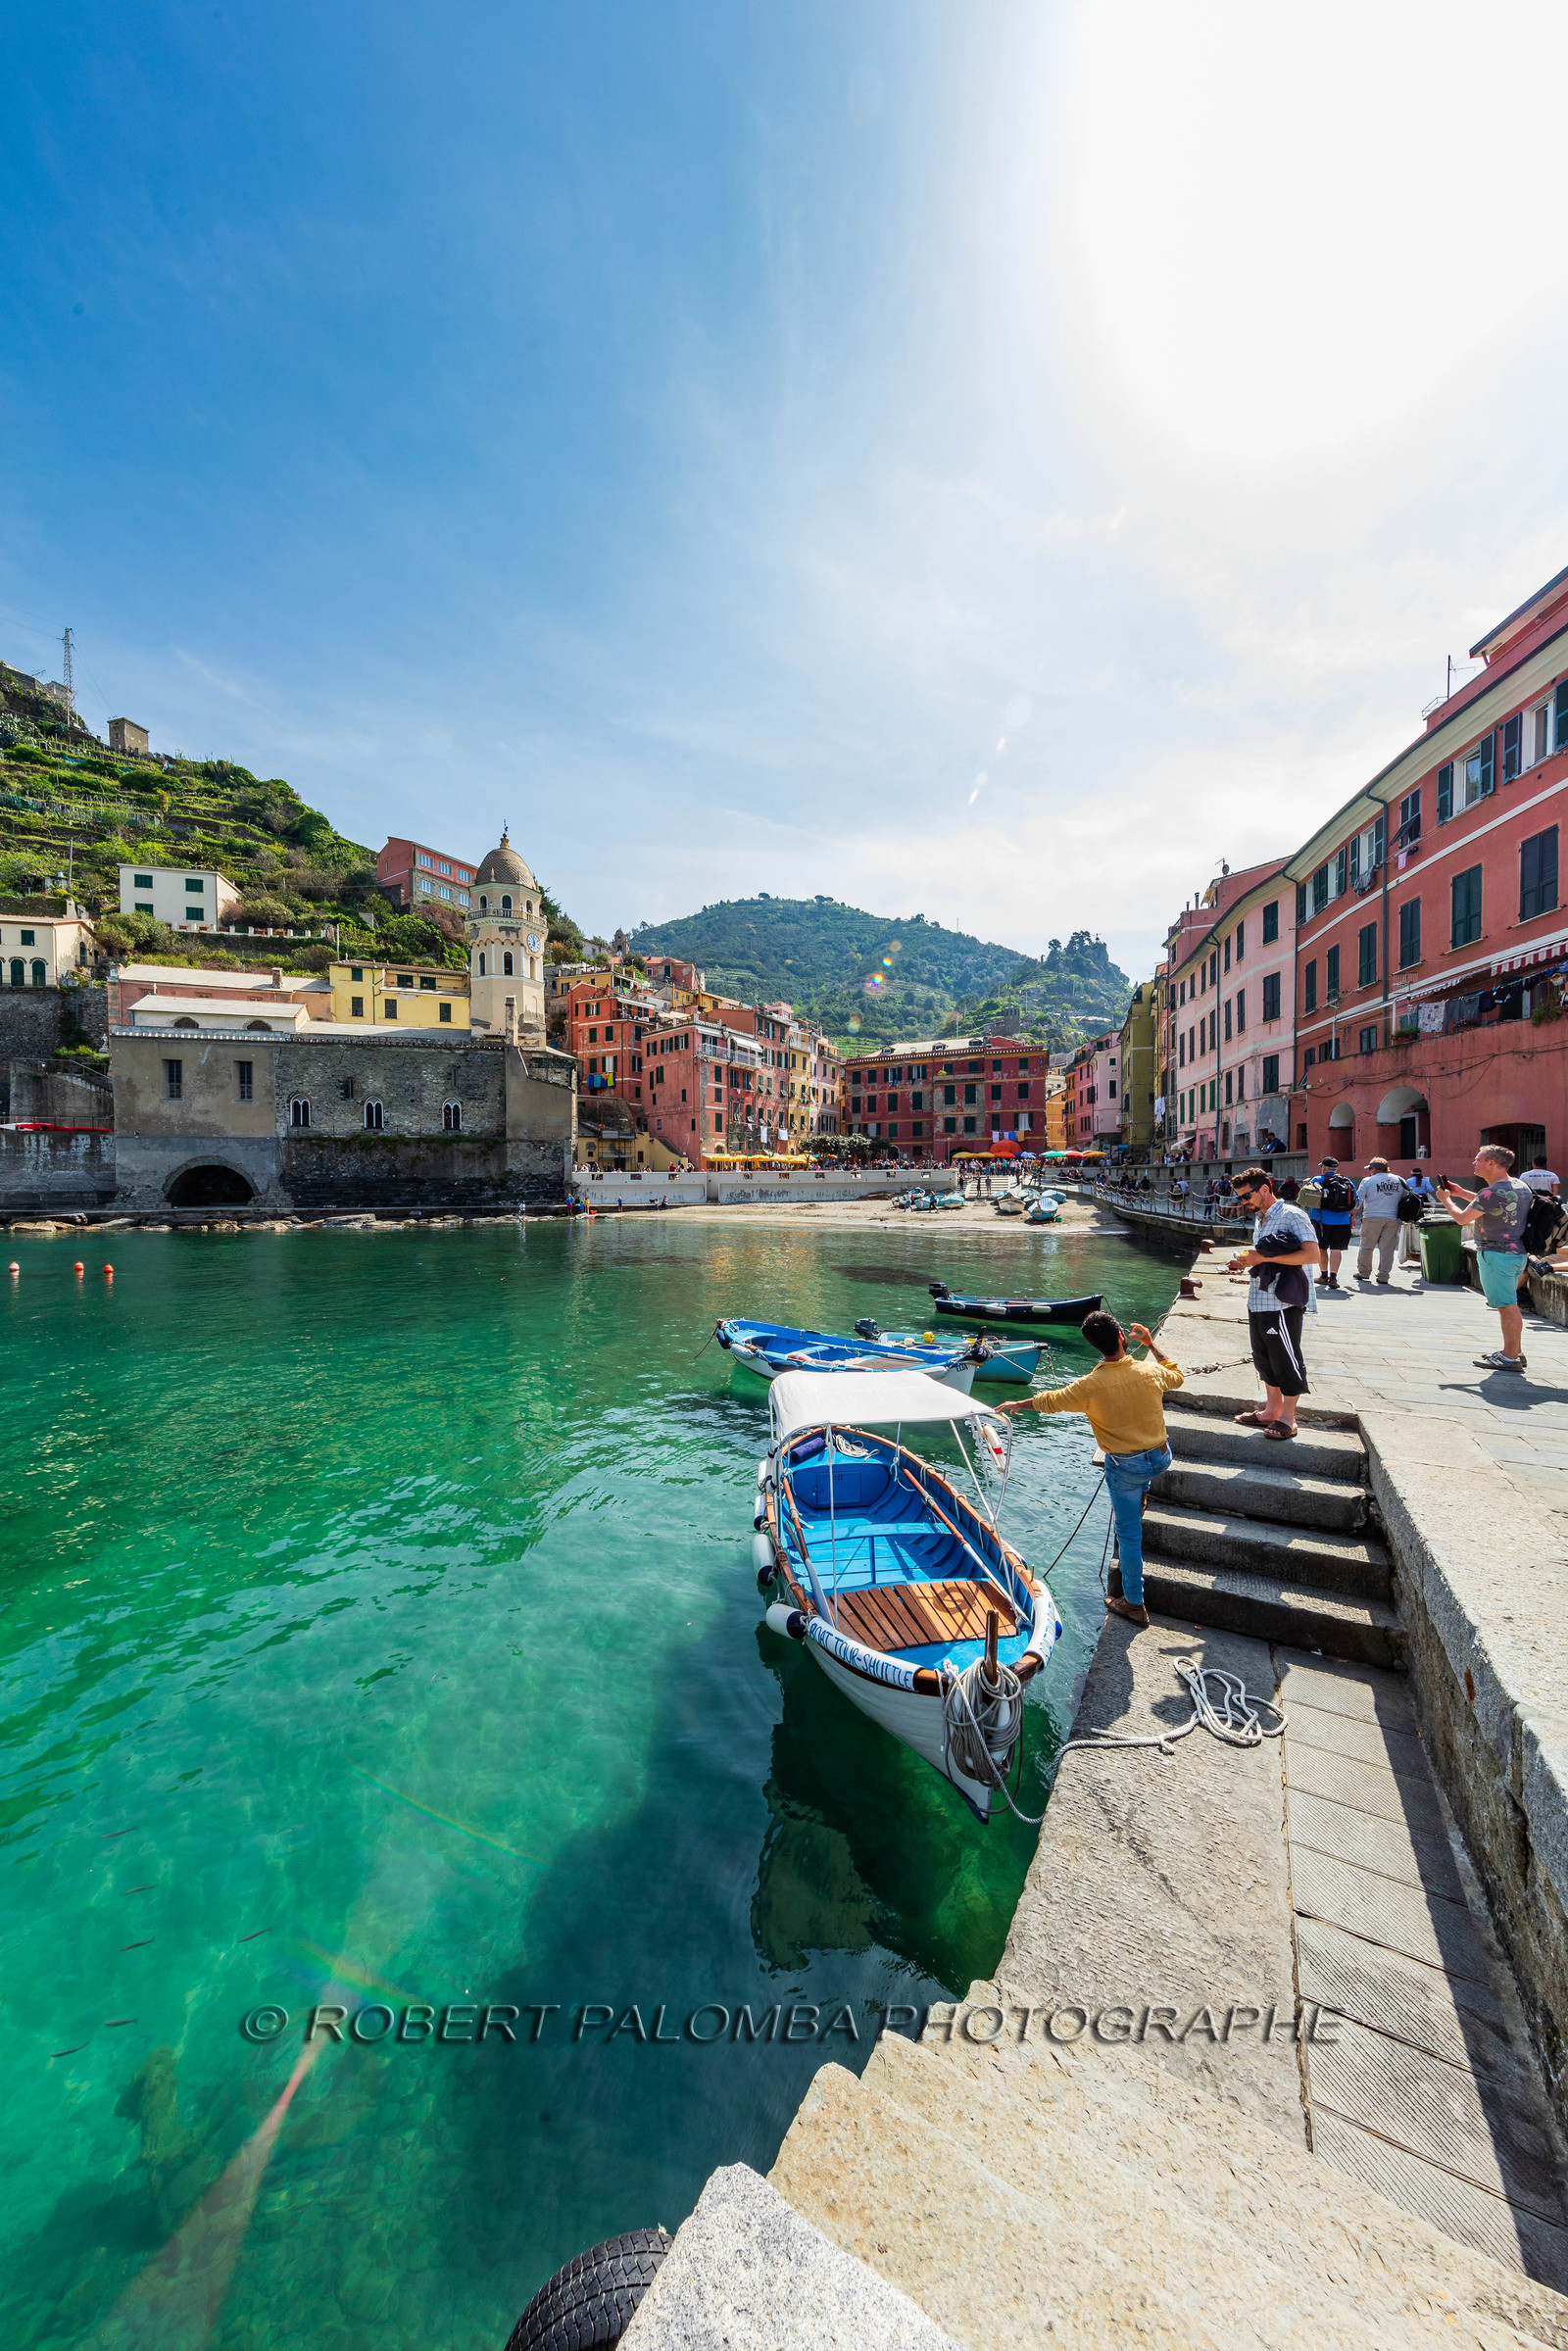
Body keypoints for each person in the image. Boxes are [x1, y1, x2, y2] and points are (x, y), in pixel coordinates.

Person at [1000, 1311, 1183, 1628]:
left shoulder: (1089, 1386)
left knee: (1128, 1535)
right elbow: (1176, 1374)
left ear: (1094, 1347)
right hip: (1161, 1457)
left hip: (1125, 1467)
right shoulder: (1149, 1372)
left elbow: (1050, 1401)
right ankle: (1142, 1493)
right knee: (1143, 1469)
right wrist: (1151, 1344)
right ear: (1123, 1338)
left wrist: (1019, 1404)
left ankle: (1134, 1603)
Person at [1226, 1165, 1319, 1438]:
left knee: (1286, 1358)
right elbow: (1263, 1255)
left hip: (1283, 1302)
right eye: (1240, 1198)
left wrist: (1263, 1258)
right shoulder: (1261, 1217)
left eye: (1246, 1196)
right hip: (1258, 1299)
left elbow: (1312, 1255)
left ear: (1265, 1189)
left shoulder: (1293, 1215)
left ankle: (1288, 1419)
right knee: (1264, 1358)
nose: (1243, 1202)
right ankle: (1271, 1410)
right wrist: (1245, 1261)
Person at [1438, 1146, 1534, 1372]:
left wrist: (1446, 1200)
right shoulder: (1519, 1186)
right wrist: (1461, 1193)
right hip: (1516, 1254)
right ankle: (1514, 1351)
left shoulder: (1491, 1192)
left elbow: (1462, 1218)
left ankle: (1509, 1358)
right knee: (1510, 1304)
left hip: (1495, 1255)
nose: (1474, 1162)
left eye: (1478, 1159)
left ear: (1491, 1163)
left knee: (1506, 1306)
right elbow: (1495, 1205)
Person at [1354, 1155, 1406, 1285]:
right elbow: (1405, 1199)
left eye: (1370, 1168)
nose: (1369, 1171)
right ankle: (1383, 1275)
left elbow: (1358, 1200)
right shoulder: (1399, 1180)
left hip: (1372, 1217)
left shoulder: (1367, 1181)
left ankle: (1364, 1272)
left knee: (1366, 1246)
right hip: (1393, 1218)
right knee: (1387, 1249)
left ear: (1375, 1169)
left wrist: (1351, 1215)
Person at [1313, 1156, 1356, 1287]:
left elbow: (1306, 1198)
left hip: (1321, 1221)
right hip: (1343, 1221)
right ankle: (1333, 1278)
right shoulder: (1347, 1181)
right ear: (1336, 1169)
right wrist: (1352, 1216)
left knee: (1322, 1248)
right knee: (1336, 1250)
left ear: (1324, 1168)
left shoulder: (1317, 1180)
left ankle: (1323, 1275)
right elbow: (1356, 1201)